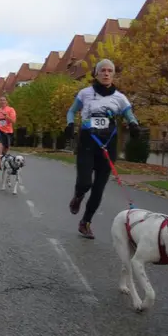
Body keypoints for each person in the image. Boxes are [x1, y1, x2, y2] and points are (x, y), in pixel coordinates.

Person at [64, 58, 140, 239]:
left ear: (113, 74)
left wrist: (134, 125)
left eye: (110, 71)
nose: (106, 74)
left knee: (98, 189)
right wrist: (70, 124)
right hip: (87, 144)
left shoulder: (120, 98)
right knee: (85, 182)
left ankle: (86, 222)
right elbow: (71, 111)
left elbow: (129, 114)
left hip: (108, 146)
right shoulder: (85, 93)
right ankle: (78, 195)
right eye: (103, 70)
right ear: (96, 73)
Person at [0, 95, 16, 176]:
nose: (2, 101)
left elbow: (13, 121)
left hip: (8, 132)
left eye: (3, 100)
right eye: (0, 100)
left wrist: (6, 116)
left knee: (5, 150)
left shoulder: (11, 109)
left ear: (6, 102)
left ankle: (1, 161)